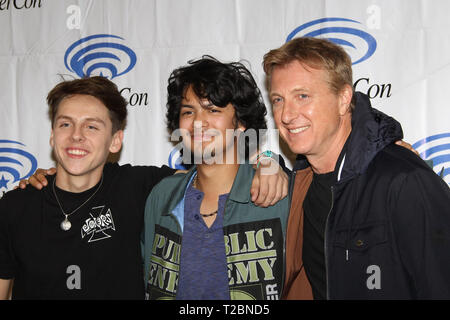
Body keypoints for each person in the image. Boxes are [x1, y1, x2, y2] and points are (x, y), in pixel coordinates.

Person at [0, 76, 287, 299]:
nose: (76, 136)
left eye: (91, 127)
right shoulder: (14, 206)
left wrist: (268, 160)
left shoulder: (141, 188)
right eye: (65, 124)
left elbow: (213, 169)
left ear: (115, 141)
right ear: (52, 135)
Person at [263, 37, 450, 299]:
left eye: (302, 96)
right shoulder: (298, 187)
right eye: (278, 100)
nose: (286, 115)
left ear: (343, 99)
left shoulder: (403, 180)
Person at [142, 56, 288, 300]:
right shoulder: (162, 197)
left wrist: (271, 159)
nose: (198, 122)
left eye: (213, 109)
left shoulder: (276, 194)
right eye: (188, 111)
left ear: (240, 123)